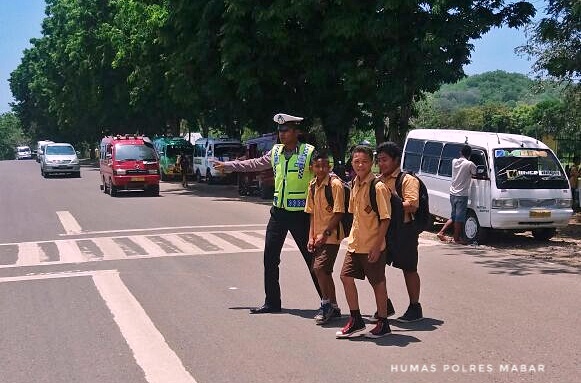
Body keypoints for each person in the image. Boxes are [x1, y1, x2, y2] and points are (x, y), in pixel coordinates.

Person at [213, 113, 321, 314]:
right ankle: (272, 302)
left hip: (301, 214)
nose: (282, 134)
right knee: (270, 258)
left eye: (286, 130)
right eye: (279, 131)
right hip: (278, 213)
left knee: (313, 260)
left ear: (296, 132)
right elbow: (254, 164)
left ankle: (328, 303)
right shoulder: (276, 151)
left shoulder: (309, 152)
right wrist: (229, 166)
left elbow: (324, 175)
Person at [336, 145, 392, 339]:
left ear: (372, 163)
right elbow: (354, 215)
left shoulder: (378, 187)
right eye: (356, 161)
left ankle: (383, 323)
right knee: (345, 277)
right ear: (352, 162)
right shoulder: (354, 183)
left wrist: (377, 246)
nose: (360, 165)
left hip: (372, 246)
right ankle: (356, 319)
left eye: (365, 161)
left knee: (377, 283)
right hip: (355, 243)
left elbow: (385, 219)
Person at [376, 141, 423, 322]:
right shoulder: (379, 180)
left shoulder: (407, 180)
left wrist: (390, 204)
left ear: (396, 160)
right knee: (377, 267)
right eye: (379, 160)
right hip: (385, 230)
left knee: (409, 268)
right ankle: (384, 306)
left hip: (404, 230)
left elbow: (412, 205)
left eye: (385, 160)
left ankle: (414, 306)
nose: (381, 164)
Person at [305, 151, 345, 324]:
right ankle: (334, 306)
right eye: (317, 166)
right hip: (318, 236)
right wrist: (311, 237)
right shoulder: (312, 185)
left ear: (329, 167)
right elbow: (312, 214)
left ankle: (326, 303)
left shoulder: (335, 184)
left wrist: (325, 233)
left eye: (324, 166)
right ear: (312, 168)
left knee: (319, 269)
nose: (321, 169)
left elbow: (339, 212)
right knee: (325, 272)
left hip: (332, 236)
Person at [437, 145, 476, 244]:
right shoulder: (469, 164)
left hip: (452, 193)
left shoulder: (454, 161)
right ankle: (456, 238)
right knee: (459, 218)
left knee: (454, 216)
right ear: (469, 155)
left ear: (460, 153)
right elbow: (475, 172)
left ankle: (441, 233)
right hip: (461, 194)